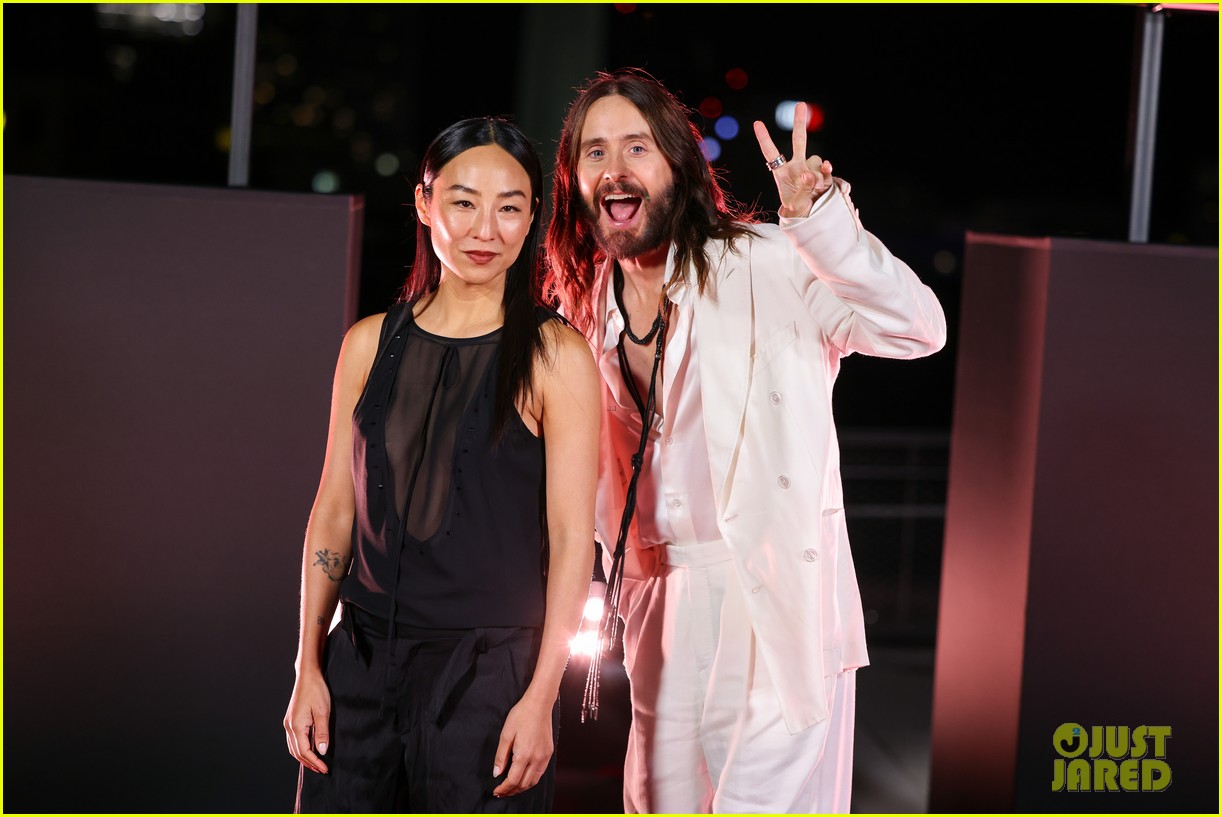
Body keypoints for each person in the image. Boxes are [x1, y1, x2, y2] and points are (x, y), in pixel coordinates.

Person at [545, 69, 947, 813]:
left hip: (767, 588)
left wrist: (820, 224)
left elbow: (917, 329)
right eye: (595, 151)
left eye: (637, 146)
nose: (615, 168)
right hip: (655, 599)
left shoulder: (767, 260)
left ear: (678, 165)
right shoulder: (584, 305)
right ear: (574, 178)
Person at [284, 117, 599, 813]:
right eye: (463, 202)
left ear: (531, 219)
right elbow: (334, 509)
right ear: (425, 204)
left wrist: (542, 695)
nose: (486, 229)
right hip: (360, 661)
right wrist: (308, 664)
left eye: (509, 207)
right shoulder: (368, 343)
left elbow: (574, 538)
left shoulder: (556, 355)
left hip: (490, 676)